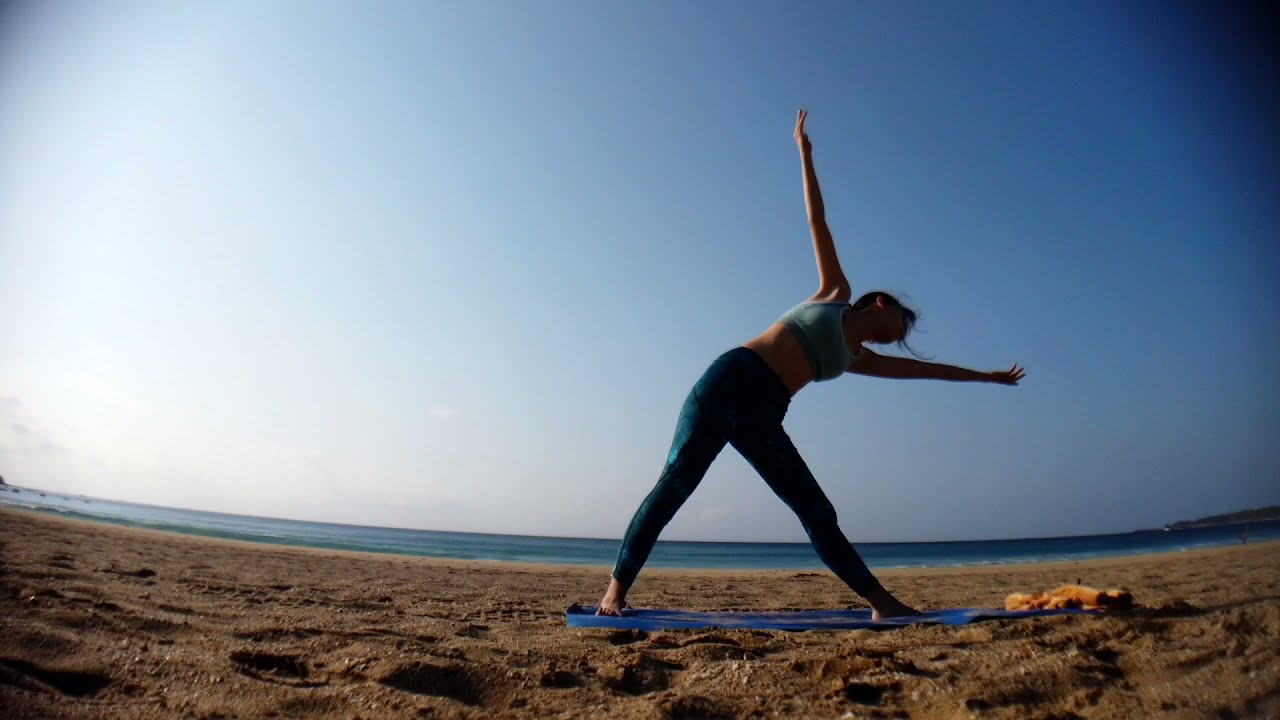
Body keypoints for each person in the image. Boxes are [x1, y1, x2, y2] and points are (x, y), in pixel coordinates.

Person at [596, 109, 1025, 620]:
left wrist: (986, 377)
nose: (900, 341)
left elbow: (930, 371)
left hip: (764, 414)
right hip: (727, 381)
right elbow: (817, 220)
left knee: (817, 510)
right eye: (902, 327)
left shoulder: (858, 359)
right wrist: (804, 152)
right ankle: (614, 595)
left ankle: (882, 604)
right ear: (882, 306)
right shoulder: (835, 293)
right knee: (674, 486)